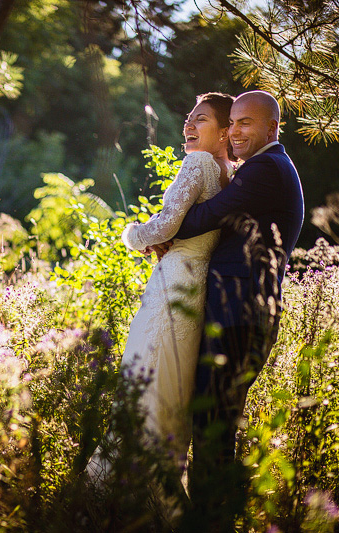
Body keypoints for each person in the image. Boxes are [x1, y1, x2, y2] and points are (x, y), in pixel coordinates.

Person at [86, 93, 236, 502]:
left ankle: (127, 493)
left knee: (146, 378)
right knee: (173, 388)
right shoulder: (232, 172)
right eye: (188, 118)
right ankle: (159, 485)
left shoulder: (199, 163)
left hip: (173, 286)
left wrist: (133, 235)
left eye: (200, 120)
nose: (188, 125)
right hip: (199, 287)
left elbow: (166, 223)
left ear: (225, 131)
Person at [167, 90, 304, 530]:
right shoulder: (262, 169)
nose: (236, 131)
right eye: (235, 122)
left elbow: (206, 216)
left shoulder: (266, 168)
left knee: (213, 431)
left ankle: (212, 522)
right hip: (239, 315)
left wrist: (162, 230)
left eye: (247, 123)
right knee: (214, 429)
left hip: (239, 317)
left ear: (272, 128)